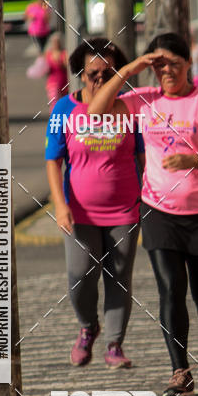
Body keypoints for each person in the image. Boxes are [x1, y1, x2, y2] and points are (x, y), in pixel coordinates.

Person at [91, 32, 198, 396]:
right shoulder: (144, 100)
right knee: (170, 289)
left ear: (189, 64)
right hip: (158, 210)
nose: (168, 71)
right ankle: (180, 370)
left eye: (175, 63)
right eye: (160, 65)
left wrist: (192, 160)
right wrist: (132, 67)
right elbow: (95, 111)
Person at [45, 37, 143, 369]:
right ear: (80, 74)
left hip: (125, 209)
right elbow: (52, 161)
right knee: (80, 275)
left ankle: (114, 344)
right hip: (79, 211)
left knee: (119, 277)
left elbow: (143, 155)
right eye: (93, 73)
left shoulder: (131, 108)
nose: (100, 79)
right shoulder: (63, 109)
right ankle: (88, 327)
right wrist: (60, 205)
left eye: (108, 72)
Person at [44, 32, 68, 105]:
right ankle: (55, 116)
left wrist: (60, 63)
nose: (55, 44)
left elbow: (67, 67)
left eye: (57, 42)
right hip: (52, 83)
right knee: (54, 103)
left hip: (64, 83)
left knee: (64, 103)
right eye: (53, 42)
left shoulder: (64, 53)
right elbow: (45, 69)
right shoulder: (48, 54)